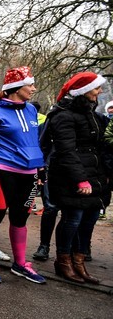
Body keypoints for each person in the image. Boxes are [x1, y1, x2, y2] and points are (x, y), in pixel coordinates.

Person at [0, 67, 46, 284]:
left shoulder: (32, 110)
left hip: (29, 172)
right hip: (2, 170)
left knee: (20, 217)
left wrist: (40, 169)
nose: (34, 88)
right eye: (30, 84)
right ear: (16, 88)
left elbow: (34, 142)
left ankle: (20, 263)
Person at [47, 72, 108, 284]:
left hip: (94, 174)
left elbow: (98, 148)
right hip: (70, 176)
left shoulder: (91, 113)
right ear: (83, 91)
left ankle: (78, 261)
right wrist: (80, 179)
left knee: (89, 219)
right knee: (72, 219)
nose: (99, 92)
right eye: (95, 88)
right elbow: (66, 151)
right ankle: (63, 261)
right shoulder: (63, 115)